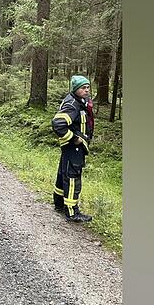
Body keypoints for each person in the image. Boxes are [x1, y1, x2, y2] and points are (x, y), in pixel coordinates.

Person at [50, 75, 94, 223]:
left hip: (72, 148)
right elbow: (58, 124)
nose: (87, 90)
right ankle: (72, 211)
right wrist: (74, 139)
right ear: (75, 89)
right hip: (73, 148)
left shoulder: (80, 101)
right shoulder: (73, 104)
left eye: (88, 87)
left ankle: (59, 203)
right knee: (73, 177)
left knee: (63, 173)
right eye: (83, 88)